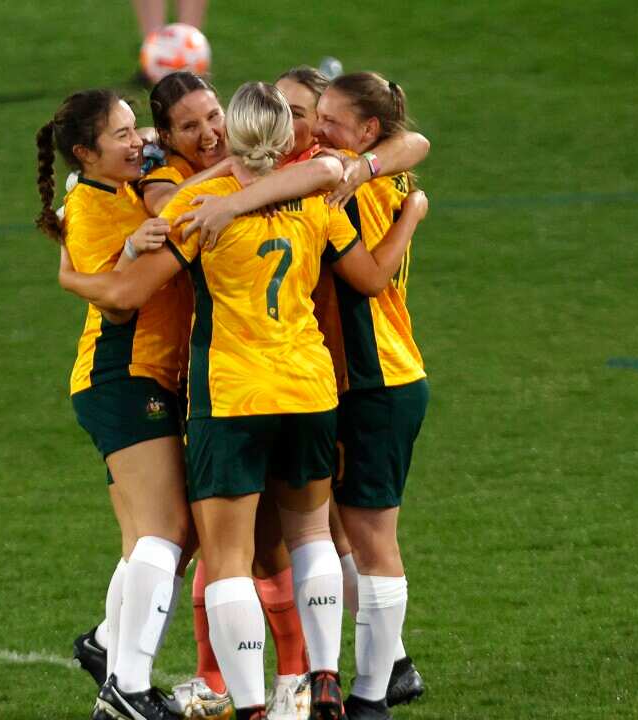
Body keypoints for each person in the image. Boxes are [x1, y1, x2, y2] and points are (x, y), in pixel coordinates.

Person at [59, 81, 428, 720]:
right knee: (313, 535)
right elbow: (366, 276)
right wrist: (414, 209)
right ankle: (326, 680)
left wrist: (79, 269)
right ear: (287, 135)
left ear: (233, 130)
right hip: (310, 389)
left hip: (231, 395)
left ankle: (249, 704)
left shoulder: (200, 206)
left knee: (225, 556)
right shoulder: (317, 192)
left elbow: (129, 292)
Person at [35, 88, 193, 720]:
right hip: (124, 372)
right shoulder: (93, 203)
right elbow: (118, 303)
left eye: (137, 129)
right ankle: (126, 686)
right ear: (84, 152)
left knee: (146, 539)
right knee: (170, 531)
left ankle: (107, 647)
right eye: (122, 134)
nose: (139, 142)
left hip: (138, 374)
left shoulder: (113, 184)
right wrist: (126, 255)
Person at [310, 72, 432, 720]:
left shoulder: (349, 187)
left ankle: (373, 695)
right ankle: (389, 669)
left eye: (330, 118)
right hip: (362, 377)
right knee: (338, 529)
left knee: (371, 537)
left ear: (366, 131)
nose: (317, 127)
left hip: (375, 379)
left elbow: (365, 276)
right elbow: (418, 144)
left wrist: (405, 213)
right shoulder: (379, 172)